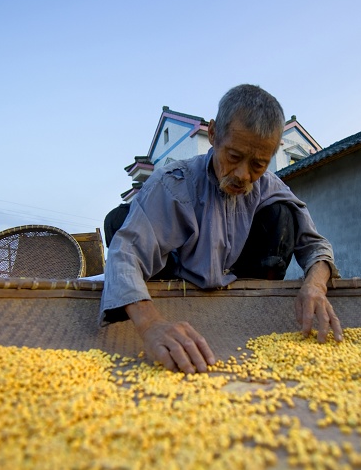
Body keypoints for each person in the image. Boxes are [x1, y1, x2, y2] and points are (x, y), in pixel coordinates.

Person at [100, 84, 342, 373]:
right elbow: (125, 253)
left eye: (258, 164)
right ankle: (158, 303)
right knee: (119, 220)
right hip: (175, 279)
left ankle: (252, 308)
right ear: (213, 134)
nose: (243, 175)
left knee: (282, 215)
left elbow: (315, 246)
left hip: (239, 277)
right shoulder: (173, 182)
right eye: (234, 157)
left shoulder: (270, 187)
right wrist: (151, 323)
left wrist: (314, 285)